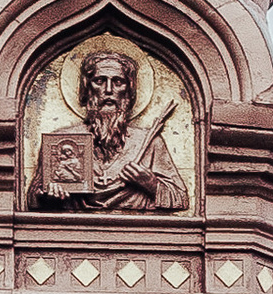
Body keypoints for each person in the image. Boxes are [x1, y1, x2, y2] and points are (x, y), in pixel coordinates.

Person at [33, 44, 187, 211]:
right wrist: (48, 195)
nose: (108, 90)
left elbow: (181, 199)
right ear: (87, 88)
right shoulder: (61, 141)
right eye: (99, 81)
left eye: (118, 82)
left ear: (129, 91)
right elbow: (33, 198)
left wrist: (151, 183)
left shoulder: (149, 142)